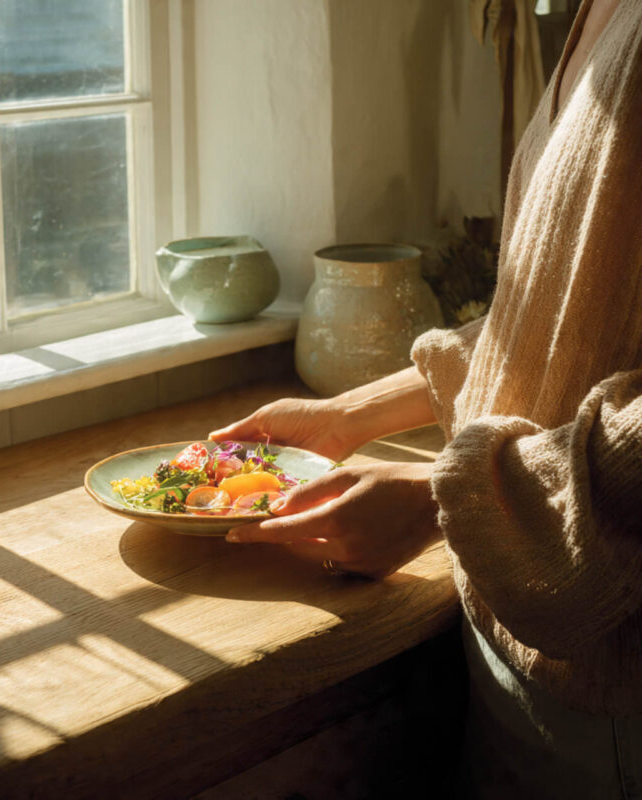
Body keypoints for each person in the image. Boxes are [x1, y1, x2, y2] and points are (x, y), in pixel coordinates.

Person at [209, 0, 642, 796]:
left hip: (617, 697)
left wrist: (437, 499)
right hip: (521, 648)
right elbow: (561, 317)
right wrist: (349, 416)